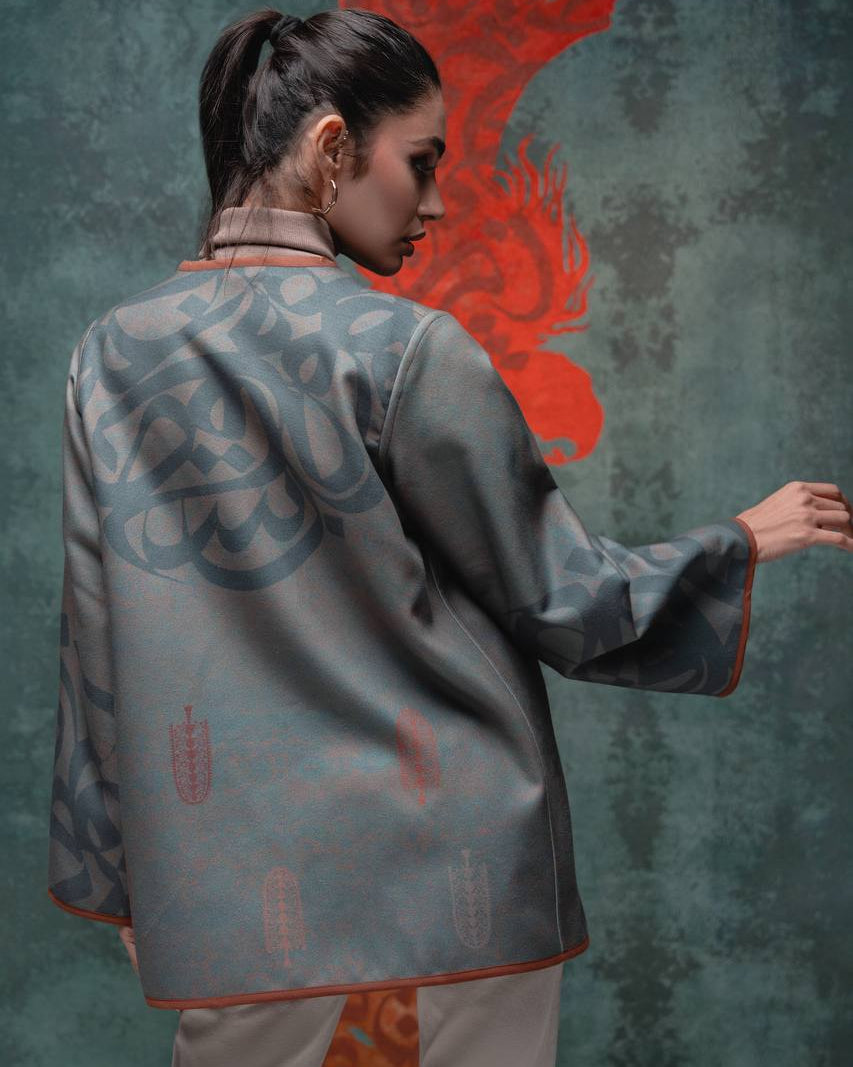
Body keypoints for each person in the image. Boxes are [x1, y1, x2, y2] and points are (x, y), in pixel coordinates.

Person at [46, 7, 852, 1067]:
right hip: (456, 862)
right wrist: (737, 540)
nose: (434, 203)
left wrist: (127, 873)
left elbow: (96, 643)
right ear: (332, 147)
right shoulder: (406, 347)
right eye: (421, 161)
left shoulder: (107, 355)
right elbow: (563, 596)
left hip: (234, 877)